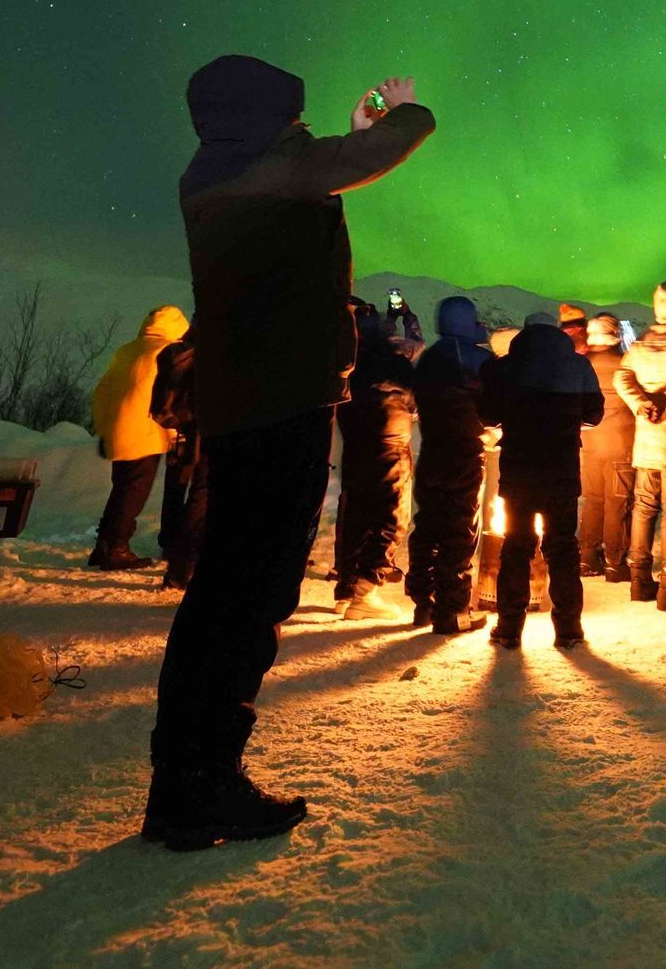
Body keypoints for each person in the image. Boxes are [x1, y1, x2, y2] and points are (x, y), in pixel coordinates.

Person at [145, 57, 432, 852]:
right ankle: (204, 789)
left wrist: (343, 134)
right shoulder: (278, 166)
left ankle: (185, 783)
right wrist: (404, 114)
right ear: (270, 113)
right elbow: (369, 156)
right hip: (285, 405)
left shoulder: (215, 170)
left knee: (222, 597)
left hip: (246, 405)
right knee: (250, 597)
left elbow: (322, 166)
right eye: (292, 112)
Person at [478, 312, 602, 648]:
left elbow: (486, 414)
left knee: (516, 547)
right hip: (562, 472)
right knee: (562, 548)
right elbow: (594, 415)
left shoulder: (507, 367)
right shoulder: (578, 366)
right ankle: (568, 630)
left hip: (519, 472)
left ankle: (508, 629)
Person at [406, 295, 492, 634]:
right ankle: (453, 611)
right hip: (465, 454)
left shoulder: (428, 359)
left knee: (427, 525)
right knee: (459, 530)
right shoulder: (479, 360)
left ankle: (422, 603)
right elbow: (493, 404)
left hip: (432, 452)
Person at [88, 305, 190, 572]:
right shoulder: (167, 354)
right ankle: (117, 549)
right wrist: (174, 432)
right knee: (133, 494)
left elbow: (101, 393)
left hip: (118, 432)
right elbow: (168, 399)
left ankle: (103, 545)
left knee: (121, 489)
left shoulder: (126, 350)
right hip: (146, 433)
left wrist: (104, 427)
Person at [331, 301, 416, 620]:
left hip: (355, 445)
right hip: (390, 444)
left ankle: (348, 587)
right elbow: (413, 399)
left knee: (356, 513)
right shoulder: (395, 363)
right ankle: (366, 591)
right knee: (391, 516)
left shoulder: (345, 362)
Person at [616, 283, 666, 609]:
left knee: (644, 507)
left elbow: (622, 376)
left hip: (646, 437)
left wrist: (641, 406)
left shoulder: (641, 343)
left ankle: (639, 578)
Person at [579, 313, 636, 580]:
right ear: (615, 336)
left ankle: (588, 556)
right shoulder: (625, 364)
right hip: (620, 444)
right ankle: (615, 561)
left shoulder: (583, 365)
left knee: (593, 500)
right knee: (617, 503)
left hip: (589, 443)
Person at [150, 331, 205, 589]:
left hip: (181, 431)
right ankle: (181, 568)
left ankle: (171, 546)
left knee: (176, 489)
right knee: (202, 495)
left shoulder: (181, 351)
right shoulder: (218, 346)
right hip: (207, 432)